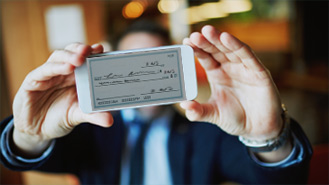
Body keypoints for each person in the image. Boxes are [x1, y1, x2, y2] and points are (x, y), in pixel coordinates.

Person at [0, 20, 312, 184]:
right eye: (130, 65)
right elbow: (28, 156)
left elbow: (281, 179)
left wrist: (267, 136)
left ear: (175, 67)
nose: (142, 77)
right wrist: (29, 135)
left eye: (155, 65)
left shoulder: (207, 133)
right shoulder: (89, 132)